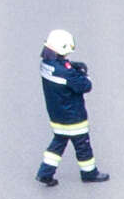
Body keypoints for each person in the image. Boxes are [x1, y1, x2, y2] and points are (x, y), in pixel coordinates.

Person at [36, 29, 107, 185]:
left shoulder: (46, 65)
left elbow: (60, 67)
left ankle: (45, 172)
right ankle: (89, 173)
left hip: (57, 115)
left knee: (58, 143)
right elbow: (85, 86)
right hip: (73, 116)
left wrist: (71, 66)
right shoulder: (66, 73)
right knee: (83, 146)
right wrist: (83, 73)